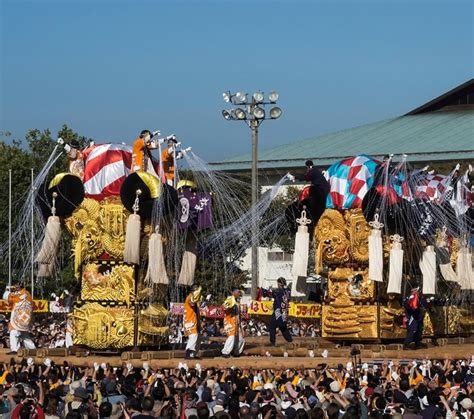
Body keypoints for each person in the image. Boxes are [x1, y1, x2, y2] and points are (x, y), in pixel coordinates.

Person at [7, 284, 35, 354]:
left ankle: (15, 350)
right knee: (24, 335)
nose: (15, 289)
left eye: (16, 287)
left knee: (13, 332)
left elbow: (10, 301)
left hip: (19, 318)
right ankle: (33, 349)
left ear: (19, 287)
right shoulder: (28, 294)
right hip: (26, 319)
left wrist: (10, 294)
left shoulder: (17, 295)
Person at [221, 287, 245, 358]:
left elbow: (239, 316)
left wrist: (241, 328)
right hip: (229, 321)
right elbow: (223, 307)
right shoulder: (229, 299)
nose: (239, 293)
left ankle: (236, 353)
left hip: (236, 323)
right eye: (238, 292)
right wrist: (228, 307)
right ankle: (225, 352)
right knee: (231, 337)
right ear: (233, 292)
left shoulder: (237, 302)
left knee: (241, 339)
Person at [269, 277, 293, 346]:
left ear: (279, 283)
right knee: (283, 326)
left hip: (278, 310)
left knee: (272, 326)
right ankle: (290, 341)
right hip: (284, 311)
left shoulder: (277, 291)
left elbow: (271, 294)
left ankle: (272, 342)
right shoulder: (288, 291)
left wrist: (271, 290)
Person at [403, 286, 427, 350]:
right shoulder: (409, 298)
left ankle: (418, 344)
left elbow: (424, 306)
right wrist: (410, 300)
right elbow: (407, 306)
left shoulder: (421, 298)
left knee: (419, 331)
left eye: (418, 291)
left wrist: (429, 301)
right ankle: (407, 344)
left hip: (419, 317)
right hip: (412, 317)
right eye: (415, 291)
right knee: (412, 330)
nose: (417, 292)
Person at [184, 284, 203, 359]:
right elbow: (192, 302)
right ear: (192, 290)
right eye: (196, 289)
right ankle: (188, 353)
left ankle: (193, 354)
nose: (197, 291)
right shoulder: (189, 297)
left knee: (198, 338)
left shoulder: (196, 300)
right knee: (193, 336)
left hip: (195, 322)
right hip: (189, 321)